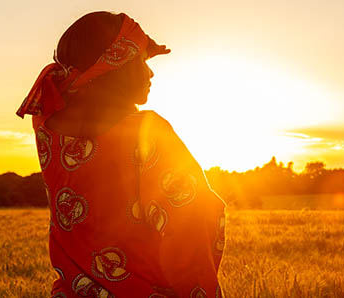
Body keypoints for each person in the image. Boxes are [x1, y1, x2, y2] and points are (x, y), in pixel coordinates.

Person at [16, 11, 226, 298]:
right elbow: (194, 220)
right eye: (141, 60)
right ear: (117, 64)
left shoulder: (45, 126)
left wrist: (137, 47)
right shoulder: (147, 133)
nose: (150, 72)